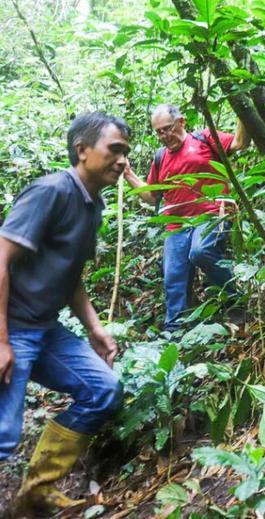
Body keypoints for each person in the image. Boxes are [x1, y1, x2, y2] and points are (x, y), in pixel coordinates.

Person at [0, 112, 128, 514]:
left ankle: (35, 493)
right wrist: (1, 340)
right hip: (12, 325)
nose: (123, 160)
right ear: (82, 150)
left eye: (127, 152)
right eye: (115, 150)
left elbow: (71, 274)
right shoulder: (51, 191)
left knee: (103, 390)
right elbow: (0, 260)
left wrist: (95, 328)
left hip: (44, 328)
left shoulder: (93, 206)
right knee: (3, 432)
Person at [123, 104, 247, 331]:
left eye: (167, 128)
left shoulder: (204, 138)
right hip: (177, 224)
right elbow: (152, 197)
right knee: (173, 278)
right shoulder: (160, 157)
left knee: (201, 251)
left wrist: (243, 109)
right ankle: (174, 333)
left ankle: (235, 301)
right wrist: (128, 174)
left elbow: (240, 143)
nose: (164, 136)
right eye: (159, 132)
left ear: (181, 121)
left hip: (211, 214)